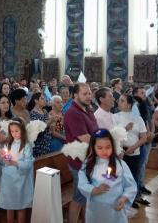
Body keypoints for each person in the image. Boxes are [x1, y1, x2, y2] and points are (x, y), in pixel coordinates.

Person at [78, 129, 137, 223]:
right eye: (100, 148)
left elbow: (130, 186)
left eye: (108, 147)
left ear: (112, 146)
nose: (104, 151)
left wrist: (124, 197)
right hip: (95, 210)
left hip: (114, 210)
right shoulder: (87, 164)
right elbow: (82, 184)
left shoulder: (120, 164)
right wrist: (95, 190)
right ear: (93, 148)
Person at [64, 82, 99, 223]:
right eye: (84, 94)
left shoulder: (88, 109)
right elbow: (85, 138)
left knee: (86, 196)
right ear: (75, 95)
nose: (88, 96)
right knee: (79, 197)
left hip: (89, 159)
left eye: (89, 93)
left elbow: (96, 130)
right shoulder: (72, 112)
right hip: (79, 162)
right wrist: (105, 145)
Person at [113, 94, 147, 208]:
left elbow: (144, 137)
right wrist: (125, 129)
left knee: (133, 177)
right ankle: (120, 199)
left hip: (134, 152)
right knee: (120, 177)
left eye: (122, 101)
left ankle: (131, 200)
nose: (119, 102)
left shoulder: (137, 118)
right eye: (119, 100)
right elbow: (113, 135)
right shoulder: (115, 117)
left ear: (129, 105)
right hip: (120, 153)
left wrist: (133, 147)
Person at [0, 119, 34, 223]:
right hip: (9, 180)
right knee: (9, 206)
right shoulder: (9, 144)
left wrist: (15, 163)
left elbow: (28, 164)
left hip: (21, 180)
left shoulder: (27, 145)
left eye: (16, 131)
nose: (14, 134)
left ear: (22, 130)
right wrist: (1, 156)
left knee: (20, 207)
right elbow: (3, 163)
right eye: (12, 131)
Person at [28, 92, 52, 157]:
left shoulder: (45, 111)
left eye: (45, 99)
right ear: (36, 101)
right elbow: (39, 129)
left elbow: (49, 126)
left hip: (48, 141)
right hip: (39, 144)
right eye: (42, 99)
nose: (45, 100)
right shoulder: (33, 113)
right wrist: (50, 120)